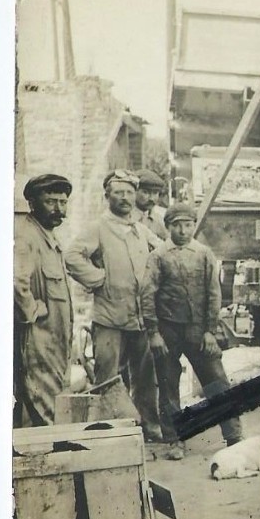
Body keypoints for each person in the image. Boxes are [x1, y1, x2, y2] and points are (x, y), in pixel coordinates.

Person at [65, 170, 163, 441]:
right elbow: (72, 256)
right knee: (107, 376)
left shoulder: (140, 228)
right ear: (107, 196)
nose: (124, 198)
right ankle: (109, 431)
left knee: (145, 376)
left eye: (130, 192)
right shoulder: (98, 227)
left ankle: (148, 426)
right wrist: (98, 279)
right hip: (109, 317)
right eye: (118, 193)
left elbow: (163, 253)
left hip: (140, 317)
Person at [141, 203, 243, 459]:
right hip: (168, 331)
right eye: (177, 225)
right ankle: (174, 440)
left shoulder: (204, 254)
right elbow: (147, 295)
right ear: (168, 227)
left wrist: (210, 331)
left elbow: (213, 294)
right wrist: (153, 332)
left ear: (194, 226)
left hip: (199, 331)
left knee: (217, 381)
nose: (183, 230)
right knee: (167, 385)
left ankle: (233, 436)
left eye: (188, 225)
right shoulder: (158, 256)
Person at [14, 174, 75, 428]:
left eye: (63, 202)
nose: (58, 209)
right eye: (51, 202)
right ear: (32, 203)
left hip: (54, 342)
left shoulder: (48, 236)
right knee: (48, 413)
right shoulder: (26, 236)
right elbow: (16, 280)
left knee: (54, 408)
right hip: (38, 342)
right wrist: (32, 310)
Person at [135, 168, 169, 241]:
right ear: (134, 192)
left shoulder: (163, 217)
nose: (151, 198)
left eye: (155, 193)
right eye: (146, 192)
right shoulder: (125, 217)